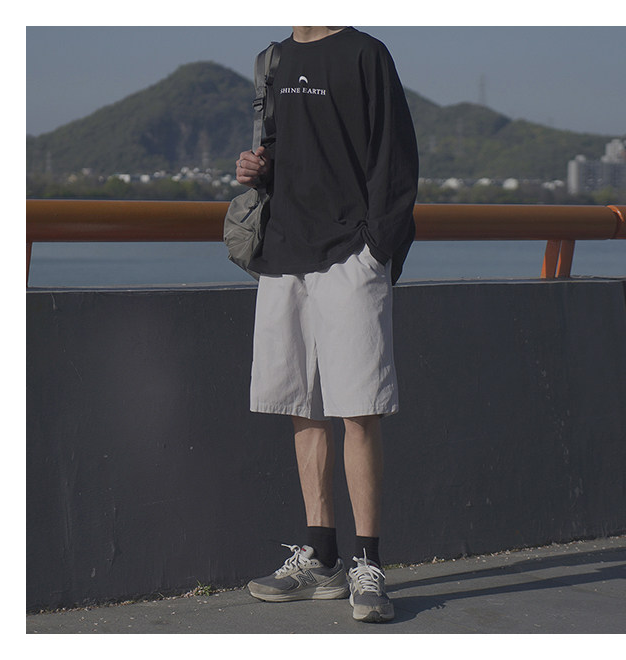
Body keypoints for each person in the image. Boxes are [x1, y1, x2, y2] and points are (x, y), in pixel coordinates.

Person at [235, 26, 418, 623]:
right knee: (302, 405)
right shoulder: (275, 58)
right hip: (285, 251)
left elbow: (395, 158)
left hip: (350, 254)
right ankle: (321, 558)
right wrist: (258, 167)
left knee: (359, 409)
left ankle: (369, 562)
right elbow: (285, 151)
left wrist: (375, 250)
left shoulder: (366, 54)